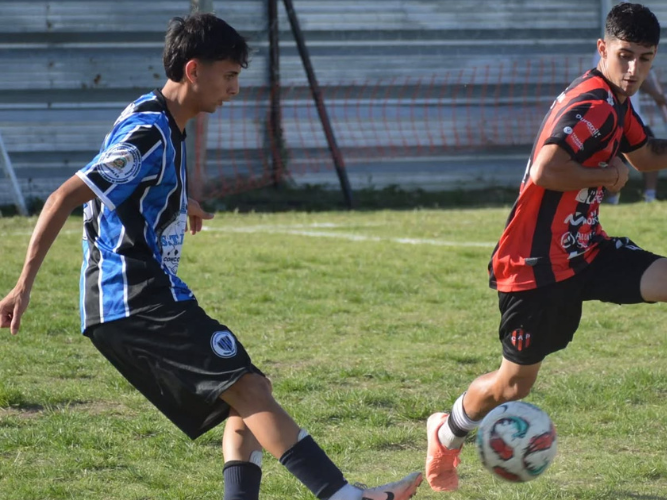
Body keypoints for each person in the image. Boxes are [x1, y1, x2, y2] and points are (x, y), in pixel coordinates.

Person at [0, 13, 421, 500]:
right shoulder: (147, 133)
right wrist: (23, 285)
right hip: (134, 299)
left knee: (249, 399)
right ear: (194, 70)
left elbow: (126, 192)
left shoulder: (159, 117)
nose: (235, 89)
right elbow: (64, 196)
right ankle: (347, 497)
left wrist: (178, 201)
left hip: (140, 299)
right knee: (250, 392)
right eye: (230, 75)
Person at [424, 3, 667, 492]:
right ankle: (444, 434)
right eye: (625, 55)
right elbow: (546, 170)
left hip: (585, 249)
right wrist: (606, 174)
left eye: (645, 58)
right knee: (511, 386)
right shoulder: (593, 103)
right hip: (535, 265)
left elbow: (649, 155)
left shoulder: (617, 103)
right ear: (603, 49)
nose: (634, 69)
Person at [592, 52, 667, 203]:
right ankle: (612, 198)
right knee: (613, 160)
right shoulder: (608, 52)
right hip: (616, 117)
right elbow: (627, 77)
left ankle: (649, 195)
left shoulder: (630, 50)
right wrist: (655, 94)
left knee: (651, 153)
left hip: (633, 117)